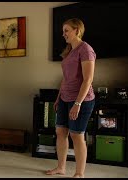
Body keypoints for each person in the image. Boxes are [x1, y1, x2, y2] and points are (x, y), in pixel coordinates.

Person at [46, 18, 96, 178]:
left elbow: (88, 79)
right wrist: (58, 98)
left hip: (81, 100)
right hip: (64, 98)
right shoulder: (69, 51)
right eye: (63, 31)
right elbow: (65, 78)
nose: (63, 34)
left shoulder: (86, 50)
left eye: (66, 30)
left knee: (76, 135)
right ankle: (61, 167)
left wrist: (77, 103)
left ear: (77, 30)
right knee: (61, 132)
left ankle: (79, 173)